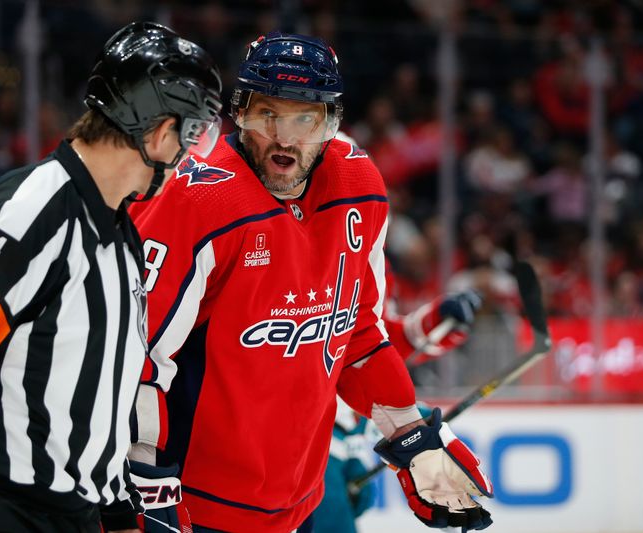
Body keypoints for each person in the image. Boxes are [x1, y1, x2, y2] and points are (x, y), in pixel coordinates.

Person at [130, 31, 492, 532]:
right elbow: (136, 355)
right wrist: (145, 484)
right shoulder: (198, 200)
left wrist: (410, 435)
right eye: (267, 114)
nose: (284, 136)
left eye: (306, 118)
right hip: (196, 507)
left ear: (332, 122)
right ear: (238, 112)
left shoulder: (360, 187)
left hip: (299, 503)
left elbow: (359, 335)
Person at [0, 21, 221, 533]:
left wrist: (118, 511)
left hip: (68, 515)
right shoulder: (33, 210)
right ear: (160, 130)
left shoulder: (119, 232)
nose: (188, 156)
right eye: (191, 134)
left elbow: (100, 395)